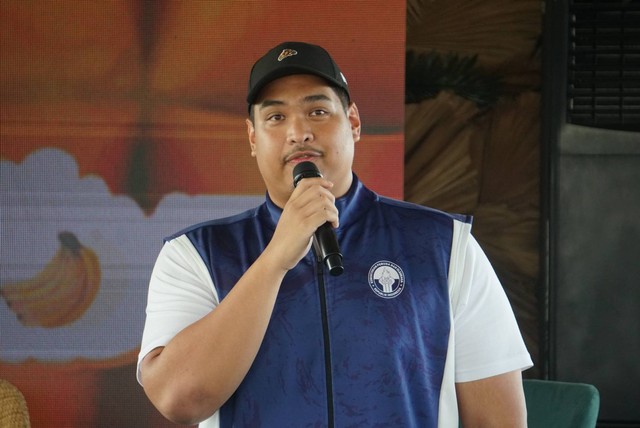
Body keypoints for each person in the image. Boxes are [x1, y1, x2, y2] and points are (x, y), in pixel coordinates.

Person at [137, 41, 533, 428]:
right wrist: (276, 257)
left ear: (354, 123)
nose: (298, 132)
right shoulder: (195, 254)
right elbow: (179, 400)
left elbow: (499, 419)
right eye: (275, 118)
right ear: (253, 139)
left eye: (318, 111)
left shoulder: (445, 245)